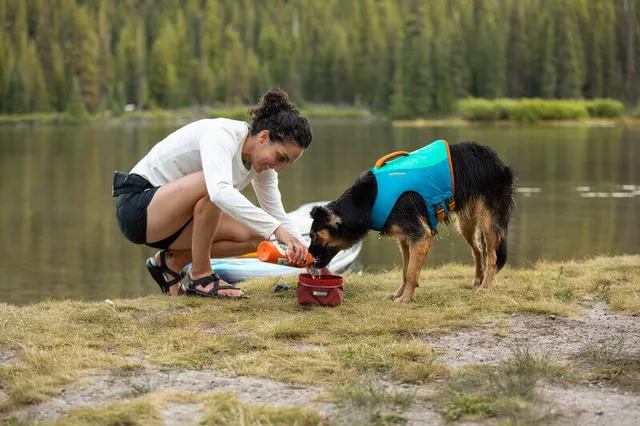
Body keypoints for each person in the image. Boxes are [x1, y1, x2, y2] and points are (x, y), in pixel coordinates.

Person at [112, 88, 313, 299]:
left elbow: (276, 214)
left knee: (259, 234)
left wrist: (310, 257)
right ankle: (201, 276)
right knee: (216, 188)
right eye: (280, 157)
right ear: (264, 137)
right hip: (138, 209)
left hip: (175, 224)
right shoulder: (222, 134)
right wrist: (277, 229)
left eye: (286, 163)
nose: (279, 167)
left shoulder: (262, 165)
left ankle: (171, 264)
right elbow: (218, 192)